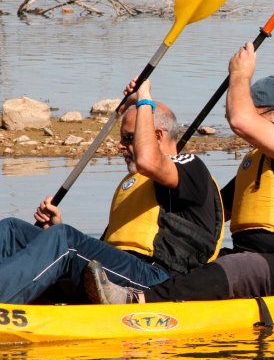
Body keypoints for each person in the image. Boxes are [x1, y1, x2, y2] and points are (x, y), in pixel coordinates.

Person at [84, 41, 274, 304]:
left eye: (255, 114)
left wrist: (239, 74)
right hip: (259, 258)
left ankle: (137, 301)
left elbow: (239, 120)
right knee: (203, 265)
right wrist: (142, 105)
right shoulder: (260, 162)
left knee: (238, 267)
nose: (248, 129)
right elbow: (213, 209)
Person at [0, 79, 224, 304]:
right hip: (118, 275)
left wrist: (144, 97)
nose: (119, 146)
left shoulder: (190, 166)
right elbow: (105, 252)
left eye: (128, 138)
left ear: (156, 136)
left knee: (64, 239)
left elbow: (148, 160)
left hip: (155, 280)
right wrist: (52, 234)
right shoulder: (134, 183)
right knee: (12, 230)